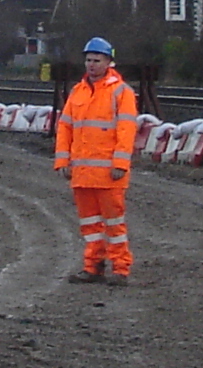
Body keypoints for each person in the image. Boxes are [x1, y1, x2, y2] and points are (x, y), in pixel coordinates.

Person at [54, 35, 139, 283]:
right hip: (82, 174)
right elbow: (65, 128)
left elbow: (126, 131)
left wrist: (120, 164)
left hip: (109, 174)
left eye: (96, 60)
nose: (91, 65)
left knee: (114, 224)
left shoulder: (121, 92)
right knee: (90, 225)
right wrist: (62, 161)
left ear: (108, 62)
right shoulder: (77, 92)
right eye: (88, 60)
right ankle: (93, 266)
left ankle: (120, 269)